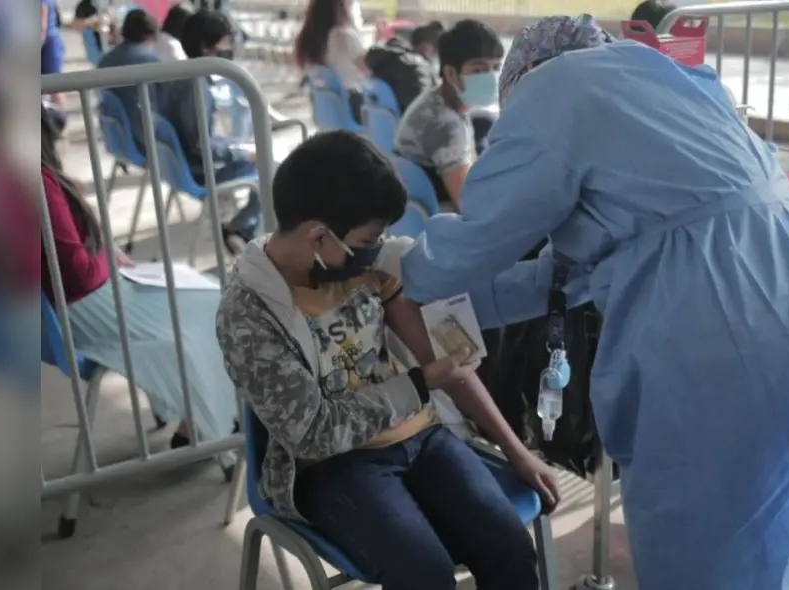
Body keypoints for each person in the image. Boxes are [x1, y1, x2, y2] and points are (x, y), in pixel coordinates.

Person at [400, 15, 789, 590]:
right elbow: (570, 273)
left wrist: (397, 273)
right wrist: (450, 308)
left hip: (714, 315)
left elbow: (479, 237)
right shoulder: (667, 78)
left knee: (711, 525)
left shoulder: (550, 92)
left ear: (518, 79)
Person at [216, 131, 560, 590]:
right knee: (424, 575)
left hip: (424, 438)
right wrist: (419, 384)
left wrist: (518, 453)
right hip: (334, 465)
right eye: (370, 238)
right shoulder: (248, 315)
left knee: (511, 550)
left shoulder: (366, 267)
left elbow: (445, 364)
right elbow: (315, 434)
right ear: (320, 236)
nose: (380, 247)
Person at [39, 105, 238, 449]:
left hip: (59, 311)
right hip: (84, 307)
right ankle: (210, 427)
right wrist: (107, 258)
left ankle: (202, 419)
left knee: (200, 296)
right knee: (212, 303)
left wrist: (104, 252)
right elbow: (77, 271)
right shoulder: (34, 181)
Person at [162, 9, 259, 252]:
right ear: (207, 47)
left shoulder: (182, 76)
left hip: (184, 167)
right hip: (200, 173)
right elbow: (201, 145)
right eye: (226, 40)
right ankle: (243, 228)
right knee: (272, 166)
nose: (231, 47)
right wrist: (241, 150)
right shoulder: (196, 86)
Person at [393, 19, 503, 212]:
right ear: (451, 73)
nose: (491, 78)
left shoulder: (434, 100)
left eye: (495, 68)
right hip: (443, 222)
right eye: (479, 70)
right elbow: (470, 207)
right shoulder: (447, 126)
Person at [97, 9, 163, 153]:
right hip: (146, 140)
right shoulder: (152, 63)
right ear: (151, 35)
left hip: (116, 139)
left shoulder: (104, 61)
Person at [295, 0, 369, 123]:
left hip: (327, 109)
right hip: (351, 107)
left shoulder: (308, 39)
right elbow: (369, 71)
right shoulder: (346, 36)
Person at [363, 20, 442, 114]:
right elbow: (421, 110)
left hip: (381, 126)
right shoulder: (417, 69)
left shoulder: (388, 59)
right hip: (407, 126)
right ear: (426, 47)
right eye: (437, 54)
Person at [41, 0, 66, 105]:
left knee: (55, 89)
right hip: (45, 43)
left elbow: (42, 28)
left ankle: (60, 119)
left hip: (49, 46)